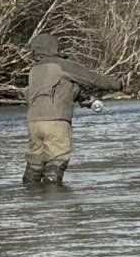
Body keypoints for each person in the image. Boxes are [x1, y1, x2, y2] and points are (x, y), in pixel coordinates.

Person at [22, 33, 121, 187]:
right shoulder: (61, 65)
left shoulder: (34, 70)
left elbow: (59, 88)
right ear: (54, 47)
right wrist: (118, 85)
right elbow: (91, 78)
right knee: (57, 161)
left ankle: (31, 200)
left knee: (35, 163)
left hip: (33, 122)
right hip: (56, 121)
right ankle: (56, 202)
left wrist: (83, 98)